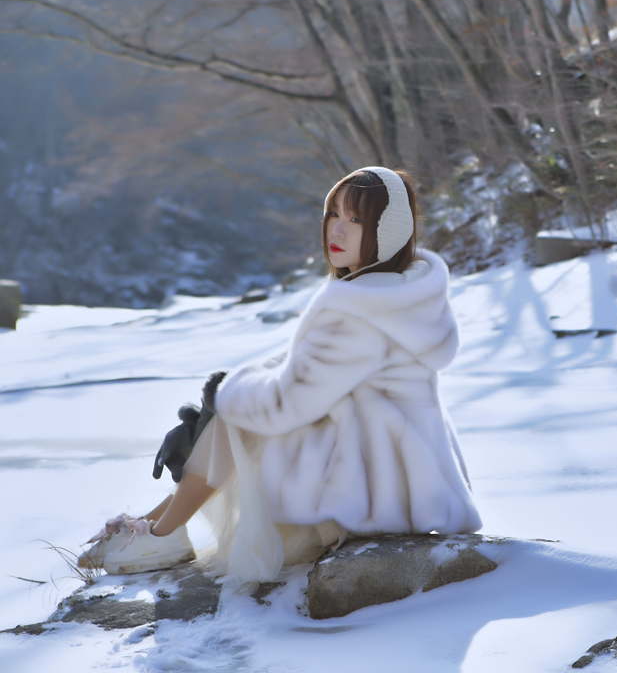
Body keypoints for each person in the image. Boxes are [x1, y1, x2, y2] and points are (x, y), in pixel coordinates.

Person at [81, 167, 482, 583]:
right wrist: (221, 397)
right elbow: (299, 365)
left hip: (368, 502)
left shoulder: (357, 312)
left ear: (388, 232)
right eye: (334, 214)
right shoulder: (397, 294)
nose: (337, 230)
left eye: (356, 220)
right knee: (235, 413)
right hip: (401, 491)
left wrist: (219, 403)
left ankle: (163, 533)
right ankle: (157, 524)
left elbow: (286, 403)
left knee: (236, 421)